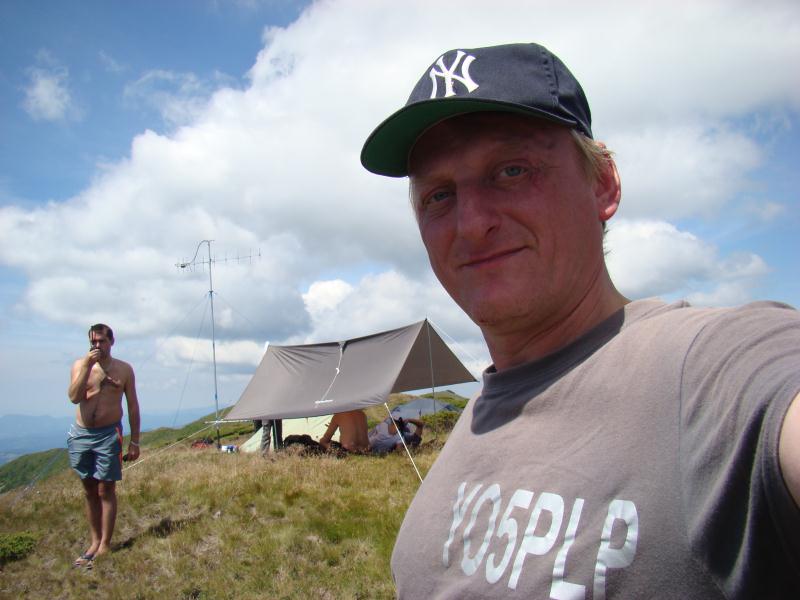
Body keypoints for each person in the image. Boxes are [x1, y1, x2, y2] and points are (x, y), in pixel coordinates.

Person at [360, 43, 800, 598]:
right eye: (439, 195)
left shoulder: (712, 369)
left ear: (603, 184)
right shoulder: (476, 420)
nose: (471, 224)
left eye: (511, 170)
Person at [67, 323, 140, 569]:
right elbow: (74, 397)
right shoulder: (80, 365)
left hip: (109, 434)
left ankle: (105, 545)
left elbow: (133, 406)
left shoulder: (124, 370)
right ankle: (94, 541)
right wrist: (87, 367)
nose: (97, 346)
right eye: (93, 342)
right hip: (82, 434)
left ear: (111, 342)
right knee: (89, 490)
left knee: (105, 489)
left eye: (102, 341)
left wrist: (135, 441)